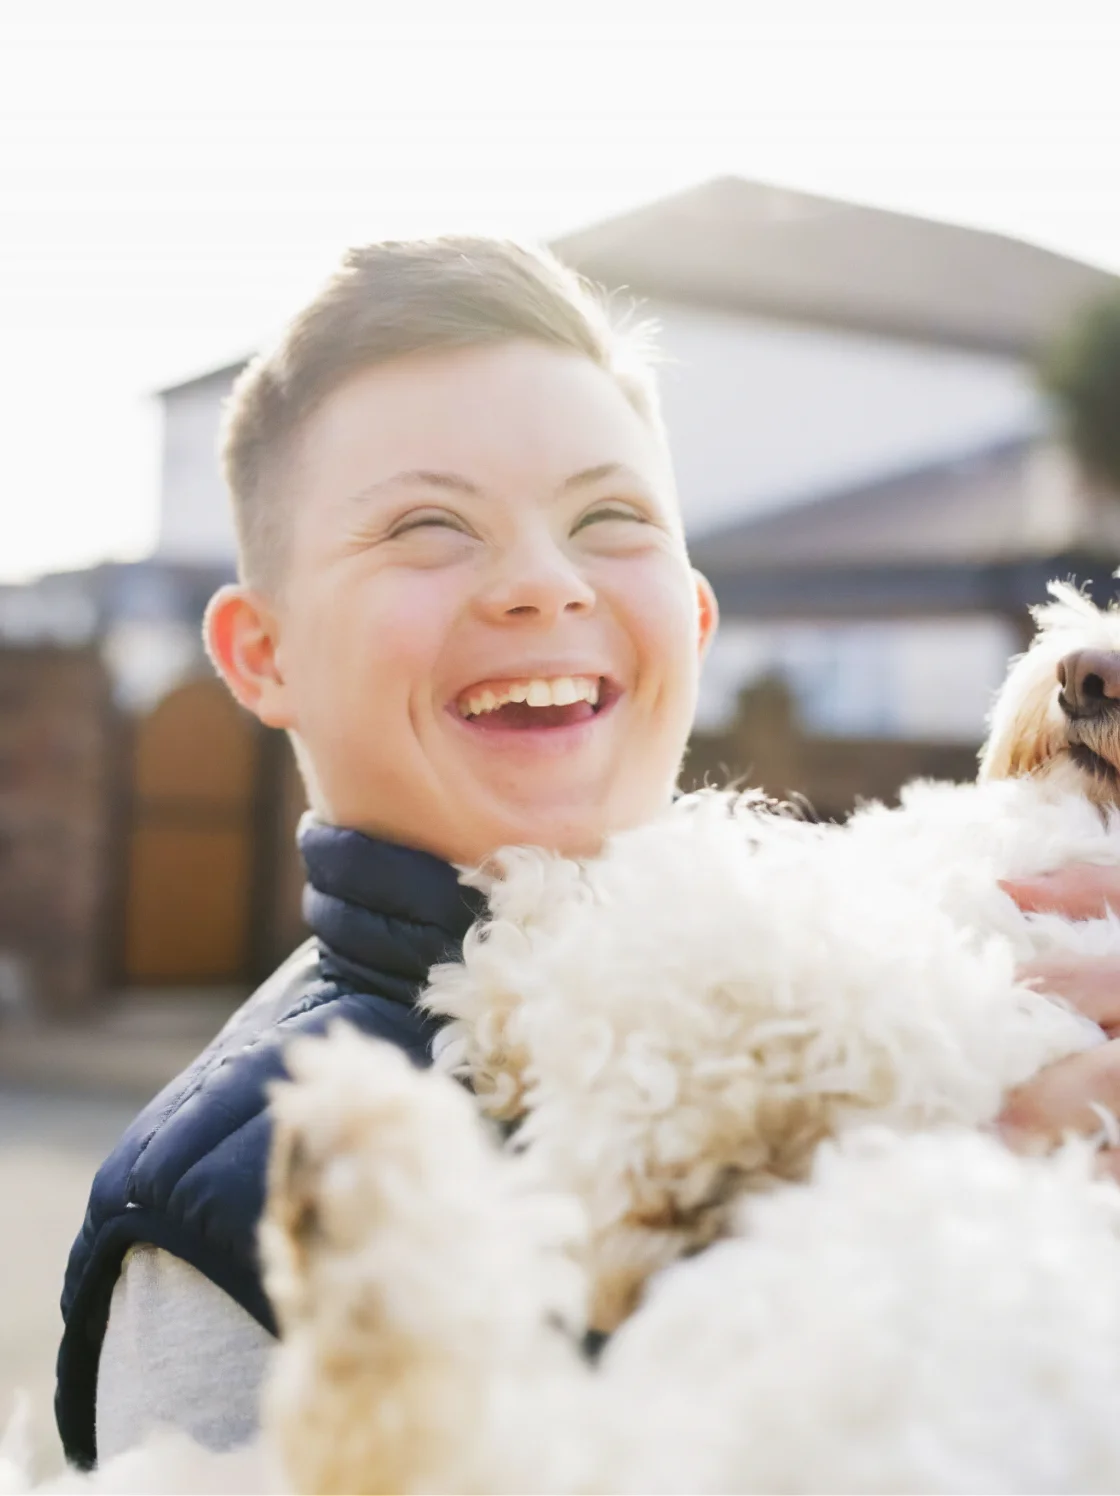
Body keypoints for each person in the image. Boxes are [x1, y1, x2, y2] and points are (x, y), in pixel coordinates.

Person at [55, 237, 719, 1468]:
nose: (540, 580)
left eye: (609, 515)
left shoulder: (883, 1015)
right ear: (264, 654)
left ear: (694, 609)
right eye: (427, 523)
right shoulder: (251, 1201)